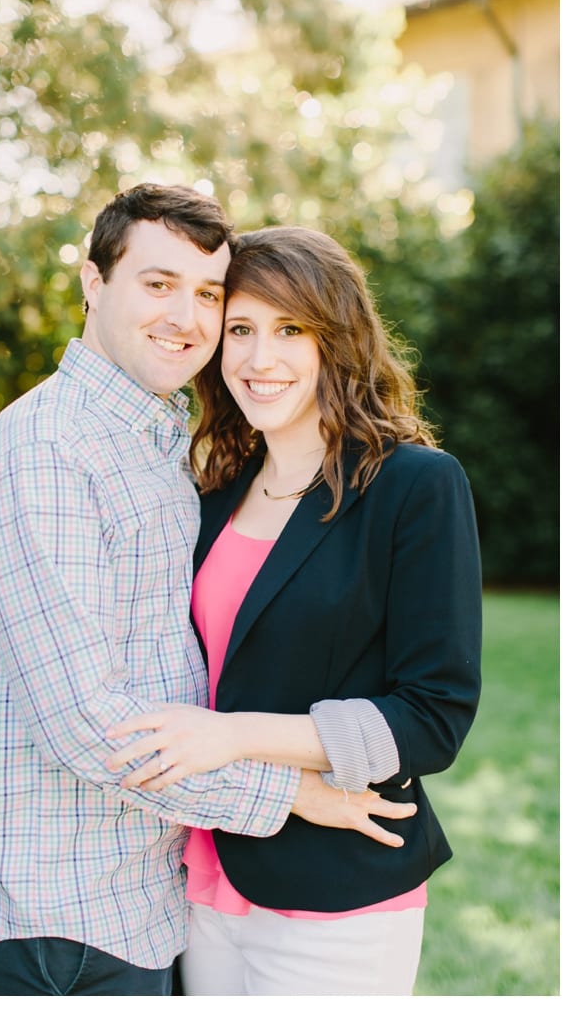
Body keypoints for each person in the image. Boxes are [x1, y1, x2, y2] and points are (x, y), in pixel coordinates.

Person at [0, 185, 409, 996]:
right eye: (158, 283)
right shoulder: (45, 451)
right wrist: (292, 791)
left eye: (207, 295)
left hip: (154, 902)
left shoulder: (167, 449)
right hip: (62, 917)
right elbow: (90, 723)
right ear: (94, 283)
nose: (187, 318)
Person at [104, 225, 482, 994]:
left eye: (289, 329)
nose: (258, 358)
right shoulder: (210, 495)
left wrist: (230, 735)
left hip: (338, 893)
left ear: (335, 340)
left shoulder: (415, 487)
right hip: (200, 881)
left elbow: (432, 717)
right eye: (240, 329)